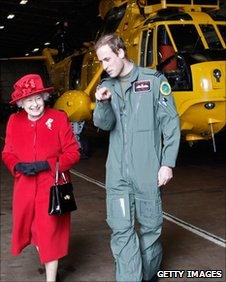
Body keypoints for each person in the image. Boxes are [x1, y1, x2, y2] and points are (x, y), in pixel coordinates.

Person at [93, 34, 180, 282]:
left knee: (151, 230)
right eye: (100, 61)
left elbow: (171, 123)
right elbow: (104, 124)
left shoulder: (153, 82)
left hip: (147, 171)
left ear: (121, 52)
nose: (104, 66)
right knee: (121, 231)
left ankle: (148, 274)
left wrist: (167, 163)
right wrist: (102, 104)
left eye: (107, 59)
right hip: (117, 175)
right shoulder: (106, 87)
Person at [2, 74, 80, 282]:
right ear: (21, 103)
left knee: (49, 234)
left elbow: (73, 153)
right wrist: (16, 165)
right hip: (25, 188)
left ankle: (50, 279)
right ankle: (45, 254)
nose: (35, 104)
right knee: (33, 231)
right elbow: (7, 152)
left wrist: (47, 164)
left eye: (38, 98)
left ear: (45, 97)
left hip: (52, 187)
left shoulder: (59, 118)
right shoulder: (14, 121)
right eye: (29, 100)